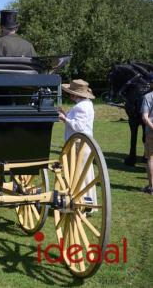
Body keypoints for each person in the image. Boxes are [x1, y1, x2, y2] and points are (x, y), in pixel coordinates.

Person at [58, 79, 97, 212]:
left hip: (78, 144)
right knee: (84, 174)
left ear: (75, 94)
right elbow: (77, 122)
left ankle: (80, 204)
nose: (69, 96)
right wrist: (66, 114)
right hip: (83, 142)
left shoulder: (82, 106)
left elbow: (78, 126)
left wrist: (64, 118)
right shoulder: (86, 104)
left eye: (71, 93)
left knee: (77, 174)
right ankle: (87, 204)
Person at [141, 73, 153, 195]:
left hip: (151, 132)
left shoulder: (147, 97)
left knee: (150, 158)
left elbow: (145, 117)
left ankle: (152, 187)